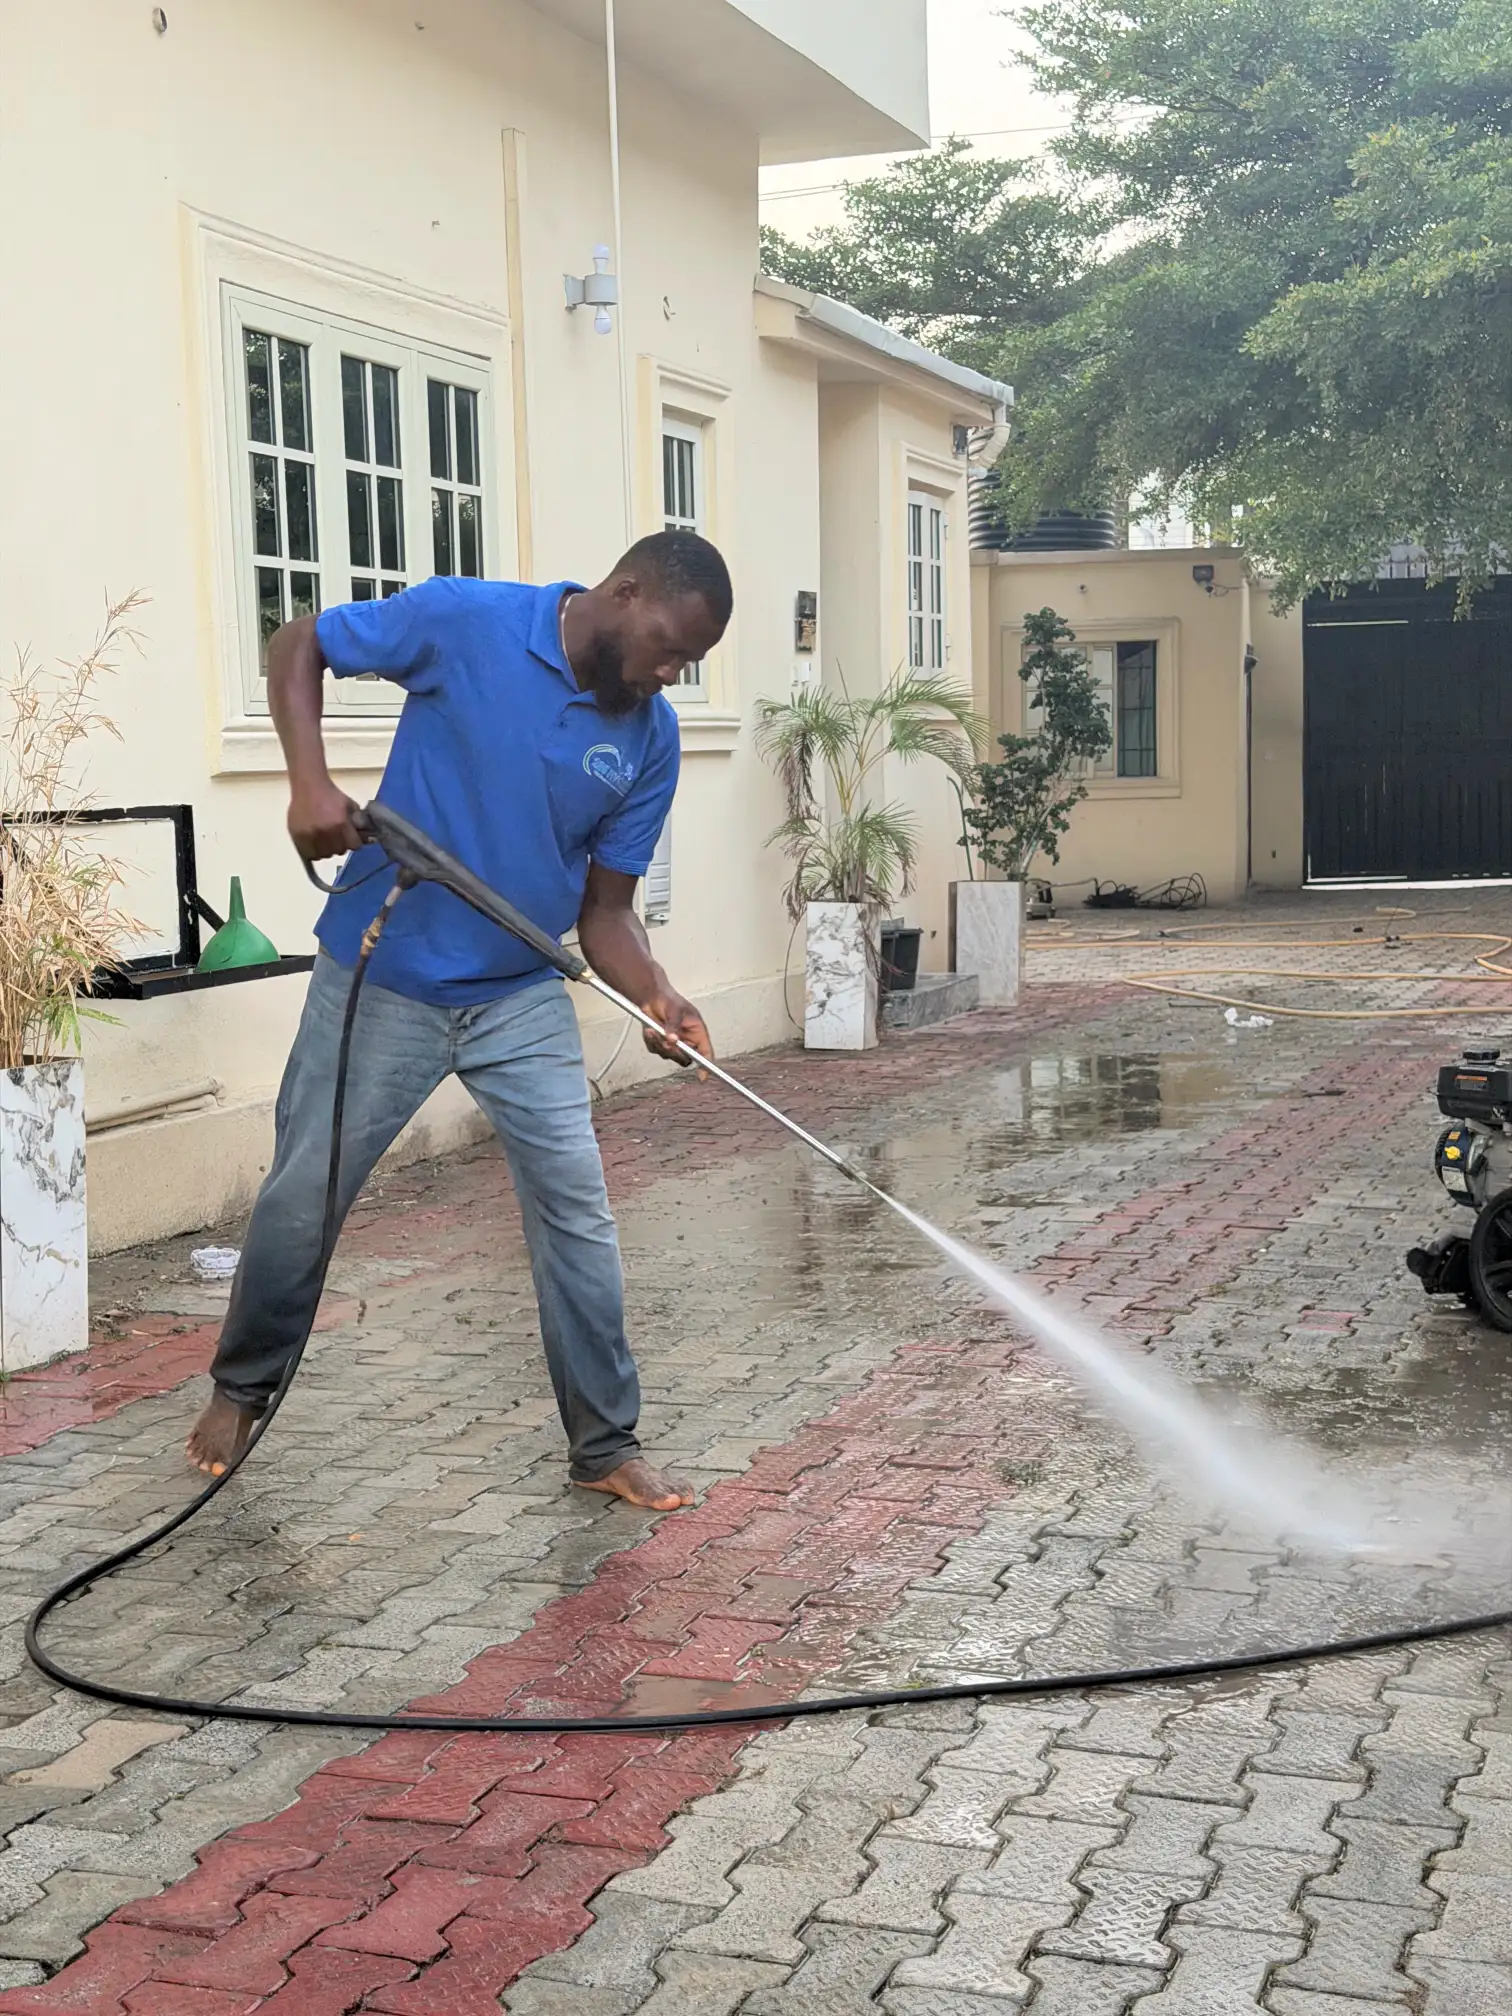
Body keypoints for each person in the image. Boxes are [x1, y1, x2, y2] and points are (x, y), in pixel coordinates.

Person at [184, 531, 732, 1512]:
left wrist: (657, 993)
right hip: (382, 974)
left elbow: (606, 913)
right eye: (669, 647)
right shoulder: (466, 621)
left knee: (576, 1212)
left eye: (688, 663)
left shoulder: (649, 738)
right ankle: (241, 1387)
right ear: (626, 591)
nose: (671, 674)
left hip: (519, 993)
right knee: (305, 1192)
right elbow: (297, 642)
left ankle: (605, 1442)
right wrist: (308, 783)